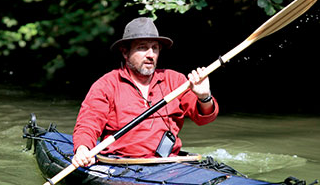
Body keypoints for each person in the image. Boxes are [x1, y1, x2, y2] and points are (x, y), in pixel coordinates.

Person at [71, 17, 219, 167]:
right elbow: (88, 124)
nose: (150, 54)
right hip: (121, 164)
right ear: (125, 52)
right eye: (142, 47)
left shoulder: (175, 80)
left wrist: (204, 97)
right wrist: (83, 149)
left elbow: (204, 119)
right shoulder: (106, 85)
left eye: (155, 48)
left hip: (169, 163)